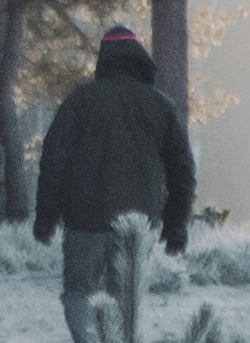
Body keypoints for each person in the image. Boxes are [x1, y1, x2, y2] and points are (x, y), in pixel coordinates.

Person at [29, 27, 192, 249]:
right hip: (139, 228)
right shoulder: (161, 105)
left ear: (103, 56)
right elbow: (182, 171)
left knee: (83, 286)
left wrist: (46, 220)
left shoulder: (81, 99)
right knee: (131, 284)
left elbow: (54, 161)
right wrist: (176, 227)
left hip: (85, 227)